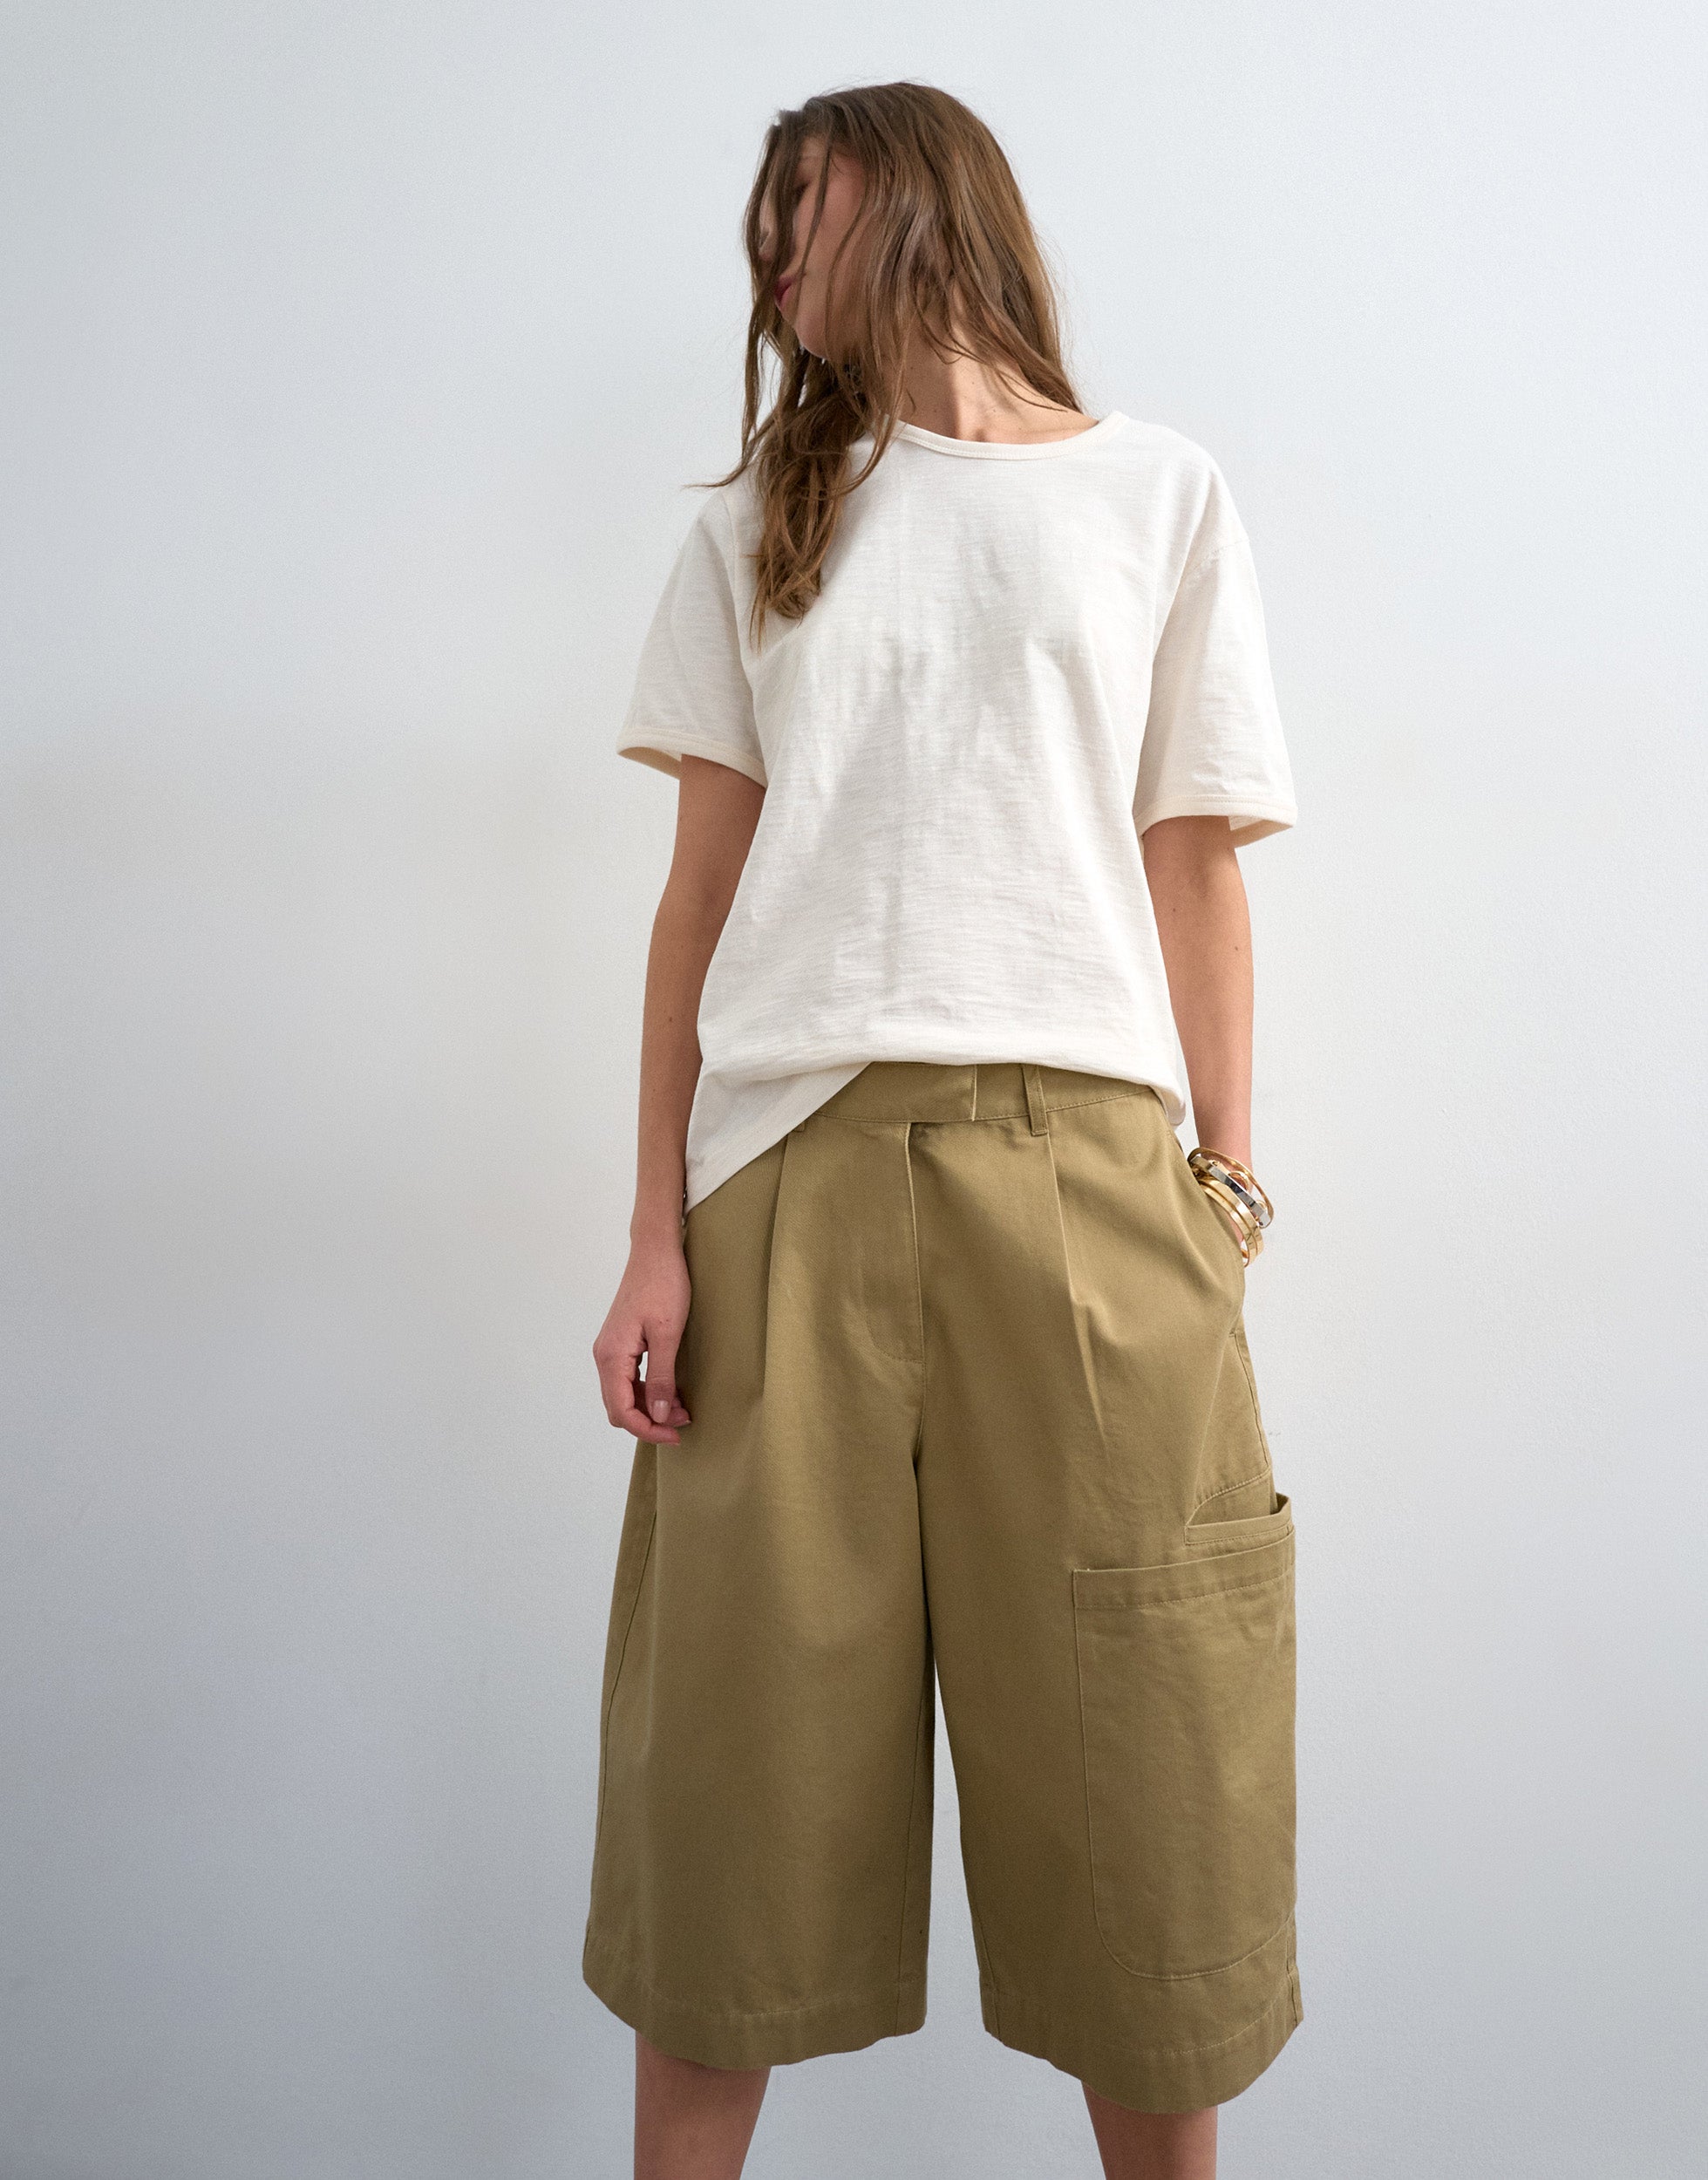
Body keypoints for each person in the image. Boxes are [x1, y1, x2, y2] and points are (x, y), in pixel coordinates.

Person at [588, 80, 1302, 2180]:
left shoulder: (1156, 495)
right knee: (727, 1793)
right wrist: (653, 1232)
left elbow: (1195, 862)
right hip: (787, 1184)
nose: (771, 265)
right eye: (761, 234)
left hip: (1088, 1186)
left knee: (1148, 1779)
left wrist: (1222, 1185)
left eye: (797, 215)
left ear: (913, 200)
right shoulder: (760, 518)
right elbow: (694, 903)